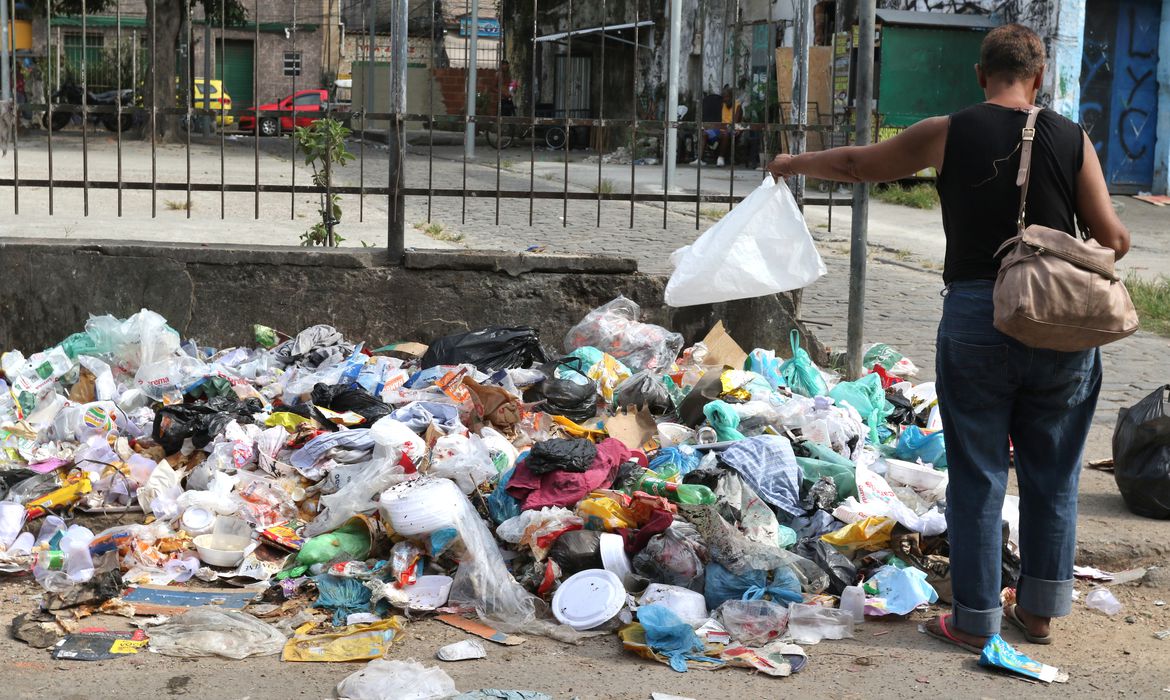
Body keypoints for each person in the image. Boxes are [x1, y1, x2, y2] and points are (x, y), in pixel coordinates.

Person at [767, 24, 1129, 652]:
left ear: (980, 74)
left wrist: (791, 164)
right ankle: (1040, 610)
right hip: (1060, 323)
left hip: (977, 316)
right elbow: (1115, 237)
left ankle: (975, 618)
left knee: (979, 470)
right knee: (1053, 468)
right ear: (1039, 77)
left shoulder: (949, 130)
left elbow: (859, 165)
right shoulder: (1071, 137)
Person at [695, 86, 742, 167]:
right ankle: (700, 159)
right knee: (705, 133)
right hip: (720, 128)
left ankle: (720, 158)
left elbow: (735, 123)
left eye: (726, 97)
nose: (725, 99)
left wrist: (725, 129)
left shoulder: (738, 106)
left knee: (725, 134)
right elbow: (718, 119)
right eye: (724, 97)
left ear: (731, 97)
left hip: (732, 129)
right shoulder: (723, 105)